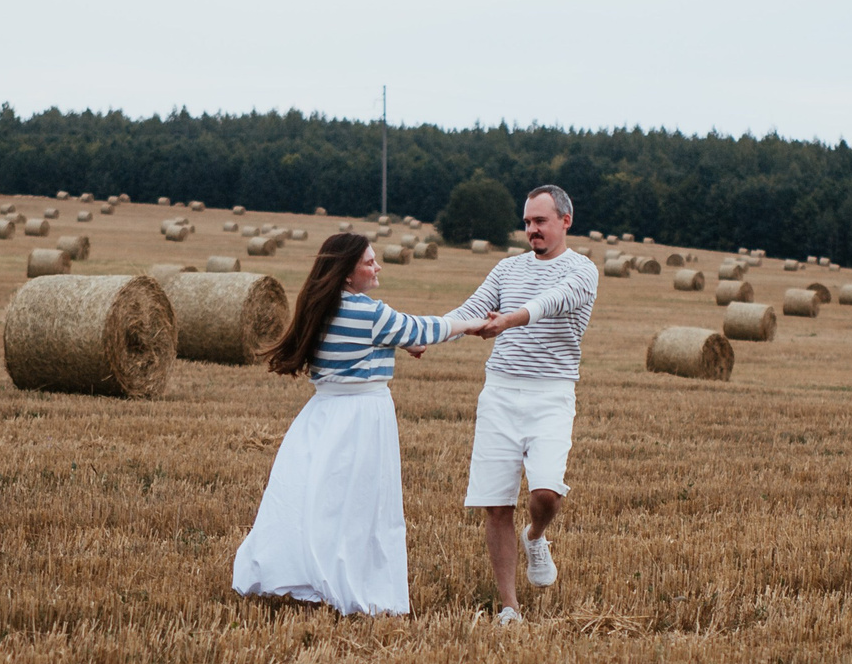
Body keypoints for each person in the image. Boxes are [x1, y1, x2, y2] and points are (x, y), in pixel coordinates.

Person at [232, 232, 489, 617]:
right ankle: (351, 584)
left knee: (315, 500)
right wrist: (470, 324)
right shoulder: (369, 312)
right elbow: (422, 330)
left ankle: (302, 573)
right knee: (363, 506)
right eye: (369, 262)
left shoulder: (320, 307)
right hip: (362, 416)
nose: (378, 266)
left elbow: (394, 336)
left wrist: (401, 341)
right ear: (347, 273)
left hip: (322, 413)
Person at [450, 184, 599, 626]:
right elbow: (472, 309)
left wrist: (509, 319)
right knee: (497, 504)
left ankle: (535, 535)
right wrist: (432, 335)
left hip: (551, 394)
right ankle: (509, 607)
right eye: (528, 222)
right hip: (499, 392)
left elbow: (551, 303)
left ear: (565, 221)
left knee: (545, 493)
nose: (532, 229)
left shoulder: (582, 270)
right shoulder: (507, 268)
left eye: (541, 221)